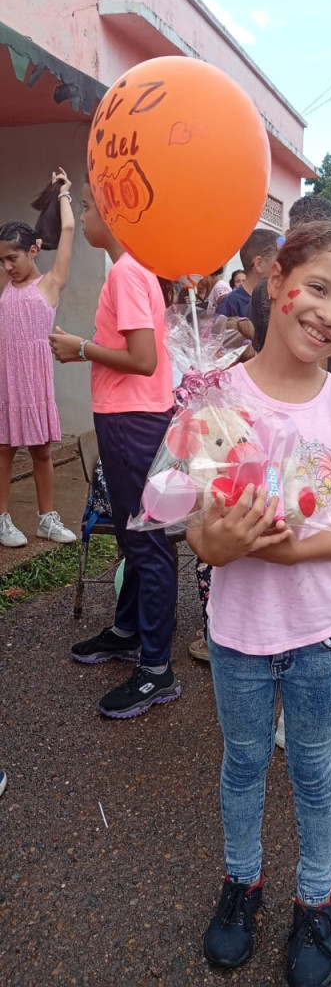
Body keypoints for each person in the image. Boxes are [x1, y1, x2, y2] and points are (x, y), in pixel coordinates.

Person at [186, 220, 331, 985]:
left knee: (313, 769)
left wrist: (295, 549)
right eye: (319, 288)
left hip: (323, 632)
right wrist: (221, 542)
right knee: (242, 763)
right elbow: (198, 527)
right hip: (238, 630)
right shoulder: (215, 397)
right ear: (276, 281)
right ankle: (242, 884)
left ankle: (316, 898)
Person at [50, 180, 180, 720]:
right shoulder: (135, 269)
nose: (83, 217)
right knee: (133, 533)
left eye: (87, 207)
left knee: (146, 541)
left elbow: (143, 359)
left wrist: (80, 348)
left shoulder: (127, 272)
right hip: (131, 418)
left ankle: (156, 669)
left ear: (114, 216)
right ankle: (129, 632)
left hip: (133, 419)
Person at [0, 169, 77, 549]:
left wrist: (63, 193)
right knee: (4, 450)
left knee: (42, 451)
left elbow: (68, 231)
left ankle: (47, 518)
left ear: (33, 250)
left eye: (12, 257)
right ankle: (2, 520)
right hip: (6, 378)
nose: (7, 266)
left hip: (35, 380)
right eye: (2, 260)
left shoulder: (50, 283)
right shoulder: (4, 285)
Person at [217, 228, 278, 318]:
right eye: (278, 262)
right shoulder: (231, 304)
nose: (283, 268)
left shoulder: (276, 299)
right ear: (259, 264)